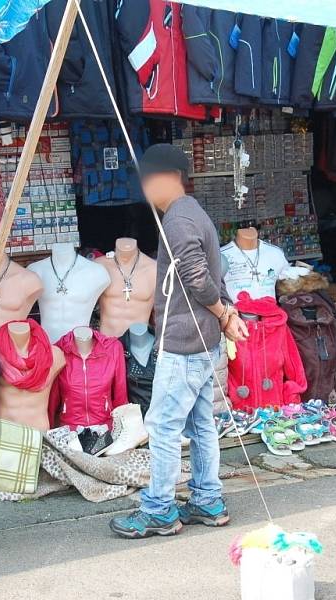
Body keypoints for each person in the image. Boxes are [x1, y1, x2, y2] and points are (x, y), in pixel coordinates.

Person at [109, 144, 248, 539]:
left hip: (185, 342)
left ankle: (158, 510)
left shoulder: (179, 221)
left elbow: (198, 278)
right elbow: (213, 278)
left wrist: (224, 314)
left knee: (164, 425)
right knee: (201, 423)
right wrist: (228, 315)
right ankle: (207, 499)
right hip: (202, 340)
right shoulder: (193, 214)